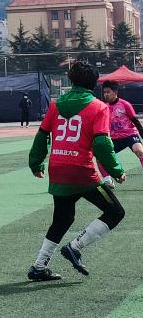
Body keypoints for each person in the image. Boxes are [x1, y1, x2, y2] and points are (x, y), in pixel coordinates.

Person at [27, 61, 126, 281]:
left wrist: (36, 163)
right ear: (94, 83)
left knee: (63, 219)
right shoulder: (98, 106)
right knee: (115, 212)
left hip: (58, 169)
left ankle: (39, 266)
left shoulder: (56, 104)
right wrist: (117, 170)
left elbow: (42, 135)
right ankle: (75, 247)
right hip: (82, 172)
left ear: (71, 81)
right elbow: (102, 144)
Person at [101, 80, 143, 169]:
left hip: (129, 135)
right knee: (101, 157)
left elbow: (136, 122)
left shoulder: (125, 104)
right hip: (114, 138)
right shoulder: (104, 107)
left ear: (115, 92)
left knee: (139, 150)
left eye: (108, 92)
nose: (106, 94)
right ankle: (108, 178)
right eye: (104, 92)